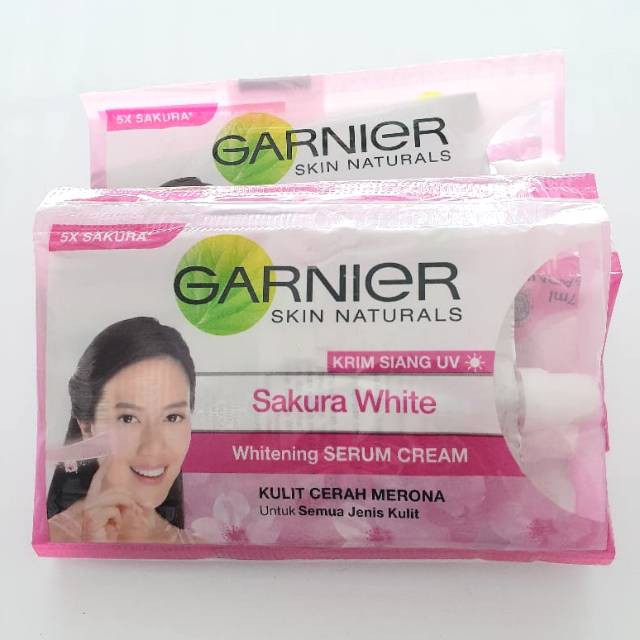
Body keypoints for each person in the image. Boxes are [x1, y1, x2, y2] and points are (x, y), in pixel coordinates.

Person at [47, 317, 198, 543]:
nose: (153, 446)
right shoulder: (52, 542)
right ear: (87, 426)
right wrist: (92, 551)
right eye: (128, 418)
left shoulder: (198, 547)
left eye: (172, 417)